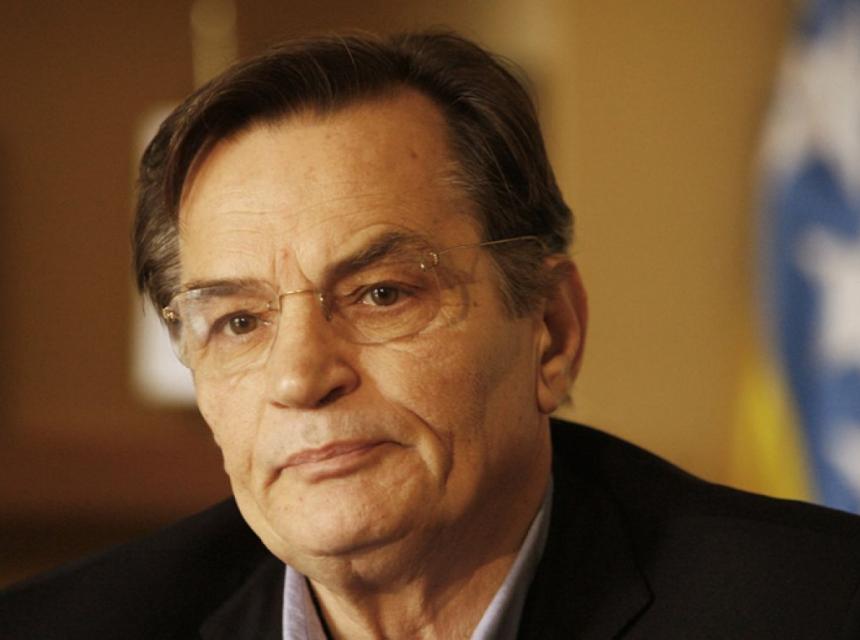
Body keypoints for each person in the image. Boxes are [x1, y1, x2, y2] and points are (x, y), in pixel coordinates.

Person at [2, 30, 860, 640]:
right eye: (239, 322)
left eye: (381, 294)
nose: (300, 377)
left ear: (550, 331)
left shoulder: (817, 608)